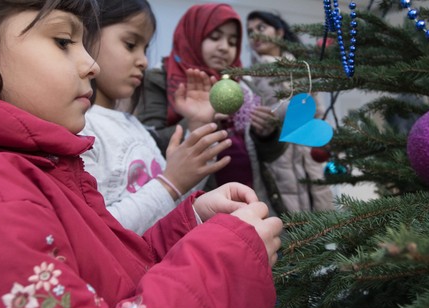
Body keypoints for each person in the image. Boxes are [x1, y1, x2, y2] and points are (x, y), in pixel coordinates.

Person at [0, 0, 284, 308]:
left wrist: (190, 225)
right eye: (63, 41)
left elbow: (106, 268)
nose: (91, 64)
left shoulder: (35, 167)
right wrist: (226, 261)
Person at [80, 0, 231, 235]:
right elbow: (98, 232)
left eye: (145, 48)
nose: (144, 60)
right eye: (130, 44)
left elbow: (174, 203)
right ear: (84, 36)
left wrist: (199, 123)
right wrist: (170, 183)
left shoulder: (133, 125)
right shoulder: (82, 128)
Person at [136, 3, 288, 216]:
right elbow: (147, 143)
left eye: (232, 41)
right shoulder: (161, 79)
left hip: (252, 202)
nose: (225, 47)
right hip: (198, 211)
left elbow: (268, 156)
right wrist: (198, 122)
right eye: (215, 37)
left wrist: (266, 134)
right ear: (193, 35)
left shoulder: (244, 85)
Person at [246, 10, 335, 212]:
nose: (255, 36)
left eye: (261, 28)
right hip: (278, 160)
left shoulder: (302, 70)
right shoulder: (251, 76)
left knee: (321, 220)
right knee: (290, 227)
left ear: (278, 32)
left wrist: (325, 142)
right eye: (250, 32)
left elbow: (318, 113)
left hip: (310, 158)